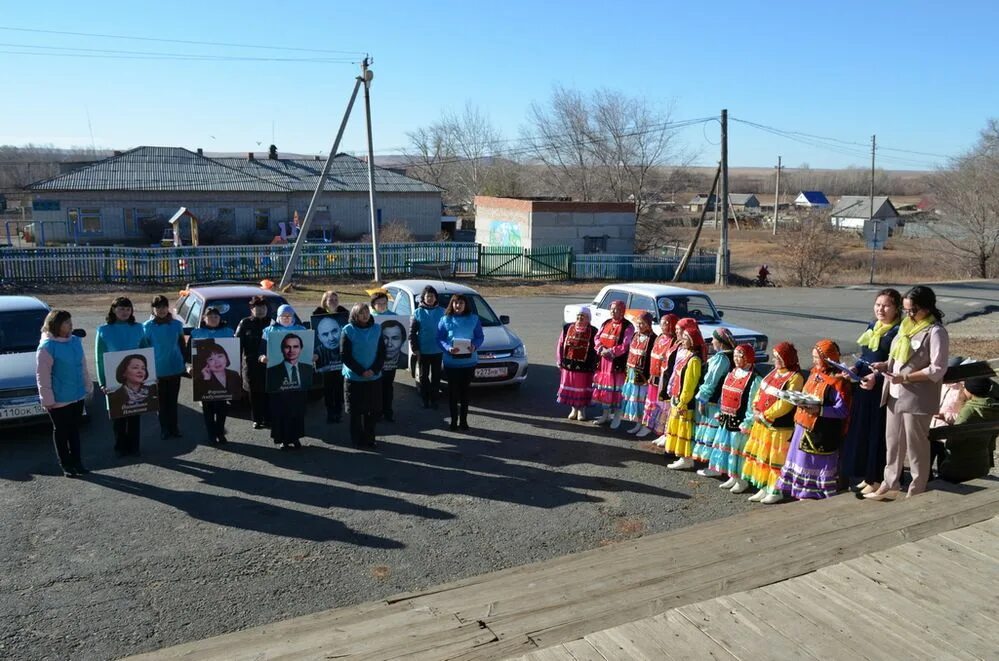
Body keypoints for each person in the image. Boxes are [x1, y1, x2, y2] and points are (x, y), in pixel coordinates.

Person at [862, 285, 949, 500]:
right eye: (907, 310)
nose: (909, 314)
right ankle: (889, 482)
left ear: (926, 308)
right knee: (893, 441)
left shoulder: (935, 331)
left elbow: (938, 368)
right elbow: (897, 356)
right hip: (893, 391)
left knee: (916, 444)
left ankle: (917, 488)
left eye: (913, 310)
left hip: (917, 397)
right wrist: (885, 365)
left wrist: (907, 377)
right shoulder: (904, 327)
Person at [774, 340, 852, 503]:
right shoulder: (814, 373)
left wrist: (820, 410)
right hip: (803, 429)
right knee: (800, 463)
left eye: (817, 357)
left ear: (828, 358)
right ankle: (803, 495)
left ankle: (814, 497)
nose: (814, 360)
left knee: (813, 468)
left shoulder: (838, 381)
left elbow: (843, 410)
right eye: (813, 357)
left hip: (821, 433)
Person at [840, 289, 901, 494]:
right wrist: (855, 368)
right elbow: (865, 355)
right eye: (878, 305)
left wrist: (877, 376)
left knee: (877, 433)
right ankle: (866, 476)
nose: (880, 310)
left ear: (896, 308)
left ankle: (876, 478)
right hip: (864, 383)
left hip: (882, 387)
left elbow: (897, 363)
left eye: (886, 306)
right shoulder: (872, 326)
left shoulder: (898, 331)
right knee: (862, 431)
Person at [742, 342, 804, 502]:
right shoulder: (773, 373)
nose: (776, 360)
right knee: (762, 457)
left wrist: (765, 415)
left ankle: (776, 490)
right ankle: (763, 486)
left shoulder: (795, 377)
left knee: (775, 459)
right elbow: (760, 392)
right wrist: (755, 408)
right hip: (762, 423)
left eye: (779, 358)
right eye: (775, 357)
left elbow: (785, 403)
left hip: (778, 426)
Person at [36, 309, 92, 477]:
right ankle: (66, 464)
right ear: (56, 325)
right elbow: (42, 375)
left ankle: (78, 462)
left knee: (74, 430)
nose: (70, 325)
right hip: (59, 399)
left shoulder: (75, 341)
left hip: (76, 395)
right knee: (61, 431)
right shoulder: (47, 347)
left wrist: (87, 386)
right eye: (66, 322)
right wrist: (47, 400)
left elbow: (82, 366)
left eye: (70, 321)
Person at [96, 296, 149, 457]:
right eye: (121, 309)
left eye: (127, 309)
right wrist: (102, 382)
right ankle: (120, 447)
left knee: (134, 414)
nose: (125, 312)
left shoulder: (139, 328)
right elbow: (99, 358)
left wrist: (151, 375)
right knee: (118, 416)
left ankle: (134, 446)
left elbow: (146, 352)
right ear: (113, 310)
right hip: (114, 378)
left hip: (136, 380)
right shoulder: (104, 330)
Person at [707, 344, 761, 493]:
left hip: (740, 422)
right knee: (727, 450)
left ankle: (741, 480)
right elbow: (724, 395)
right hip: (726, 418)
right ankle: (732, 476)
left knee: (738, 452)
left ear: (748, 358)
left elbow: (752, 403)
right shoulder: (733, 373)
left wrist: (748, 422)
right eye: (735, 356)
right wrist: (721, 411)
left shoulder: (754, 379)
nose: (736, 359)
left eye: (740, 356)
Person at [259, 305, 309, 450]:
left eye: (289, 316)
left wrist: (313, 356)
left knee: (296, 409)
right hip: (278, 378)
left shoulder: (301, 330)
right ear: (278, 317)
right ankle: (283, 439)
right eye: (283, 316)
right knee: (280, 409)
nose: (286, 319)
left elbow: (309, 349)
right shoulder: (269, 331)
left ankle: (296, 437)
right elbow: (261, 350)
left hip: (298, 378)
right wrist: (262, 357)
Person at [692, 328, 737, 475]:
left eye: (714, 339)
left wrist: (702, 398)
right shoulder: (731, 356)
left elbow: (711, 380)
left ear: (721, 342)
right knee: (720, 435)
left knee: (714, 434)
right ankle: (717, 466)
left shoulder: (721, 359)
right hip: (725, 401)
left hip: (715, 402)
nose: (712, 342)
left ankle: (714, 467)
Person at [190, 308, 238, 445]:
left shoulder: (228, 332)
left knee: (222, 408)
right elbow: (189, 354)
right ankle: (211, 434)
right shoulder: (197, 333)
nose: (213, 319)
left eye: (216, 316)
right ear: (204, 318)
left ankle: (220, 433)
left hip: (224, 382)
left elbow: (234, 349)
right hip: (203, 378)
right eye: (210, 317)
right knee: (208, 408)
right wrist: (189, 367)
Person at [935, 377, 998, 482]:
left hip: (958, 467)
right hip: (982, 464)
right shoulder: (994, 408)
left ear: (969, 391)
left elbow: (953, 442)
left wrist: (946, 443)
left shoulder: (968, 410)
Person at [663, 318, 707, 469]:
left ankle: (687, 459)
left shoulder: (694, 360)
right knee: (677, 426)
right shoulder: (685, 353)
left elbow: (689, 384)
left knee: (684, 428)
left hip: (685, 401)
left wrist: (683, 400)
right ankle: (681, 455)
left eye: (686, 338)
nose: (683, 340)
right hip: (677, 396)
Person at [437, 293, 485, 431]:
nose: (458, 306)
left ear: (466, 305)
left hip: (469, 362)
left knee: (465, 393)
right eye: (456, 303)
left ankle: (463, 421)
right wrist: (448, 348)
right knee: (453, 393)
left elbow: (480, 337)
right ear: (452, 304)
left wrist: (475, 346)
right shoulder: (445, 319)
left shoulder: (474, 319)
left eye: (461, 303)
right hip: (451, 363)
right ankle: (453, 421)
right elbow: (439, 338)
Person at [342, 302, 386, 448]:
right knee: (356, 412)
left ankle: (370, 438)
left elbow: (382, 353)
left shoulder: (377, 329)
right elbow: (345, 356)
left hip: (373, 377)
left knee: (372, 411)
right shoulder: (348, 330)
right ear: (355, 315)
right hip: (354, 378)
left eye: (367, 312)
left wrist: (373, 370)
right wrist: (361, 371)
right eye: (361, 313)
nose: (365, 315)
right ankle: (357, 440)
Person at [142, 295, 185, 440]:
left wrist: (185, 363)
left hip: (175, 368)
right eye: (158, 307)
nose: (161, 310)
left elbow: (181, 345)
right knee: (161, 402)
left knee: (173, 401)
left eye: (164, 307)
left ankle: (175, 427)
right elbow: (144, 349)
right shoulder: (147, 326)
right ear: (153, 309)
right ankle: (164, 429)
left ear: (168, 308)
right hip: (157, 370)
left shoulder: (176, 325)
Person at [591, 300, 635, 429]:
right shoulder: (606, 323)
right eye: (612, 309)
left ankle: (617, 417)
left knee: (616, 390)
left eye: (617, 309)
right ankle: (605, 415)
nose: (613, 311)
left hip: (616, 363)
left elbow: (626, 345)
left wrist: (611, 352)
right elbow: (597, 338)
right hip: (604, 362)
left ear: (623, 311)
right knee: (604, 390)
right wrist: (601, 349)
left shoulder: (628, 326)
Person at [641, 314, 679, 441]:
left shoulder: (674, 341)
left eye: (665, 324)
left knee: (663, 405)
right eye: (662, 323)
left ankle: (662, 431)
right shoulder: (659, 338)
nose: (662, 326)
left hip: (664, 378)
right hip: (654, 376)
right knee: (651, 402)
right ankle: (648, 425)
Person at [556, 307, 598, 421]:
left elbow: (597, 348)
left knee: (582, 388)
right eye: (578, 316)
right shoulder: (567, 328)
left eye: (583, 316)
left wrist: (596, 364)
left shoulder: (593, 331)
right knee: (572, 387)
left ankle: (582, 410)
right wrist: (559, 360)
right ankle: (573, 409)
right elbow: (560, 344)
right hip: (569, 365)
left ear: (588, 319)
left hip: (585, 366)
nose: (580, 318)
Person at [235, 296, 271, 429]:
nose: (261, 310)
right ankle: (257, 418)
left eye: (263, 307)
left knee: (268, 391)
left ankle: (268, 418)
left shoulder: (272, 323)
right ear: (251, 309)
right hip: (250, 365)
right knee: (255, 393)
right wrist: (235, 366)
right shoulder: (245, 323)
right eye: (257, 307)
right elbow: (237, 345)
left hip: (269, 364)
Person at [410, 285, 445, 409]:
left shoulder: (442, 311)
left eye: (432, 296)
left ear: (436, 298)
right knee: (423, 377)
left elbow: (446, 331)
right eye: (427, 296)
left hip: (438, 350)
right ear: (423, 298)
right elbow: (412, 333)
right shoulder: (418, 312)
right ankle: (425, 398)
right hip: (423, 351)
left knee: (436, 376)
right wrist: (415, 349)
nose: (430, 298)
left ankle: (434, 399)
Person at [621, 313, 657, 434]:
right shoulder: (635, 335)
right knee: (634, 399)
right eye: (638, 323)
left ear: (648, 324)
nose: (639, 325)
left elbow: (651, 360)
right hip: (632, 372)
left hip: (643, 375)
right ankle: (637, 422)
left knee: (642, 400)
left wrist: (647, 376)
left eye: (642, 323)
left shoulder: (653, 338)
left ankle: (643, 424)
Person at [370, 291, 400, 422]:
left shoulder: (394, 316)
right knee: (375, 388)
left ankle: (388, 411)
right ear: (373, 304)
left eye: (384, 303)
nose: (382, 305)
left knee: (388, 386)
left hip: (389, 361)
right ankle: (377, 412)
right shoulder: (369, 318)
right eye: (379, 303)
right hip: (374, 359)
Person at [312, 314, 344, 423]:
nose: (331, 338)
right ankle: (330, 413)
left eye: (334, 331)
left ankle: (339, 412)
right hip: (327, 375)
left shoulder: (346, 347)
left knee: (340, 391)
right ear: (319, 337)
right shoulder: (317, 351)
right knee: (328, 391)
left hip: (341, 373)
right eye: (325, 334)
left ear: (340, 329)